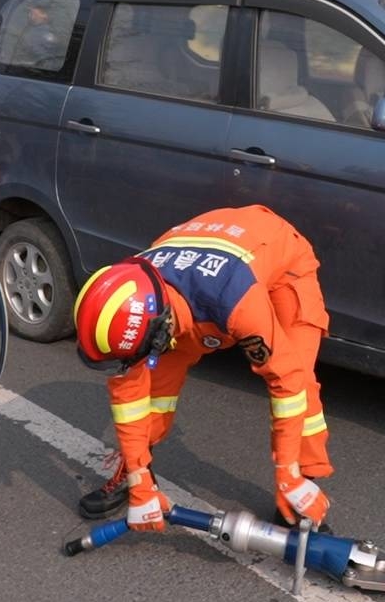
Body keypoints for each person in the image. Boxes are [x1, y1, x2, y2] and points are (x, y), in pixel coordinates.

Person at [74, 205, 333, 533]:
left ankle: (298, 489)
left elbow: (287, 381)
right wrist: (141, 486)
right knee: (152, 392)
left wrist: (287, 473)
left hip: (282, 264)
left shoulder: (235, 302)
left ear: (160, 331)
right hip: (195, 278)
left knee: (299, 380)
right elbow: (129, 398)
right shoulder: (132, 293)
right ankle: (135, 474)